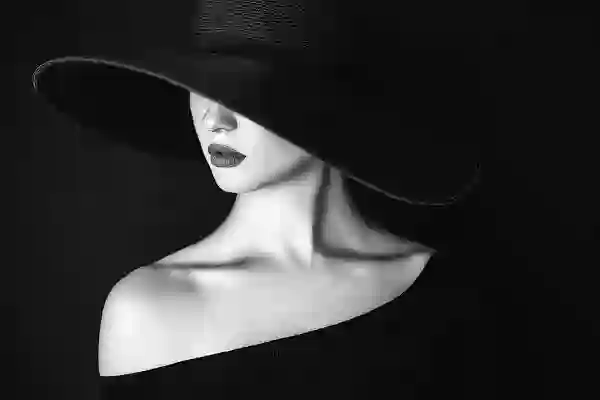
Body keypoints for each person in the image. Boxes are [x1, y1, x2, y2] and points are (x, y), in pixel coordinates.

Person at [30, 0, 502, 398]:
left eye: (244, 91)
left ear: (328, 104)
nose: (215, 119)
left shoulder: (444, 293)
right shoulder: (149, 310)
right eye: (201, 87)